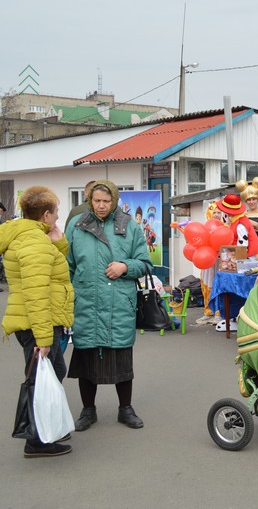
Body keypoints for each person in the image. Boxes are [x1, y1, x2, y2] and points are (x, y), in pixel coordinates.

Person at [66, 180, 152, 431]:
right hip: (87, 302)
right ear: (90, 200)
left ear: (114, 200)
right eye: (97, 201)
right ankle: (88, 410)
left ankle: (125, 409)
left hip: (119, 303)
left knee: (122, 360)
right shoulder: (77, 225)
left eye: (106, 201)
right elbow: (67, 267)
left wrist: (125, 267)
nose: (101, 206)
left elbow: (145, 263)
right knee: (86, 359)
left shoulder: (129, 224)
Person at [1, 186, 75, 457]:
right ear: (45, 214)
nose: (58, 217)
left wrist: (59, 241)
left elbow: (53, 268)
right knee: (42, 379)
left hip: (38, 322)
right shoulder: (33, 243)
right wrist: (43, 339)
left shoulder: (33, 237)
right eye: (55, 213)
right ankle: (37, 440)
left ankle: (45, 429)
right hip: (37, 325)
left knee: (52, 373)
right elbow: (37, 293)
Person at [237, 178, 258, 255]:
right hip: (247, 244)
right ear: (246, 201)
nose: (251, 202)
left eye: (254, 199)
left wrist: (256, 225)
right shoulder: (243, 214)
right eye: (249, 200)